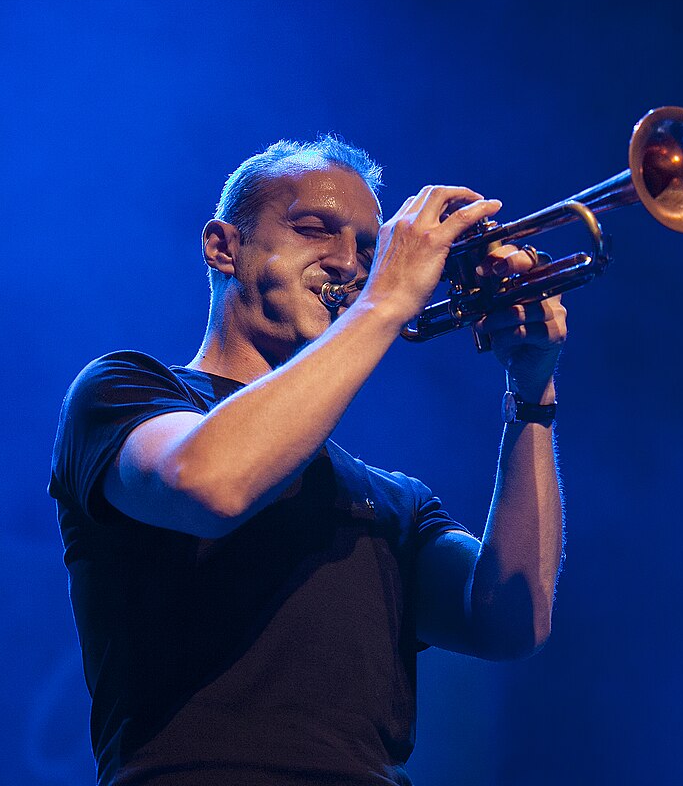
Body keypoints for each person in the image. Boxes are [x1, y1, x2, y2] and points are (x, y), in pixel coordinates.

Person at [49, 136, 567, 786]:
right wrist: (384, 301)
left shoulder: (396, 501)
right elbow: (211, 484)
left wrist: (532, 393)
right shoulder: (124, 390)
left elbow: (510, 623)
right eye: (314, 228)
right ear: (224, 247)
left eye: (371, 250)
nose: (349, 263)